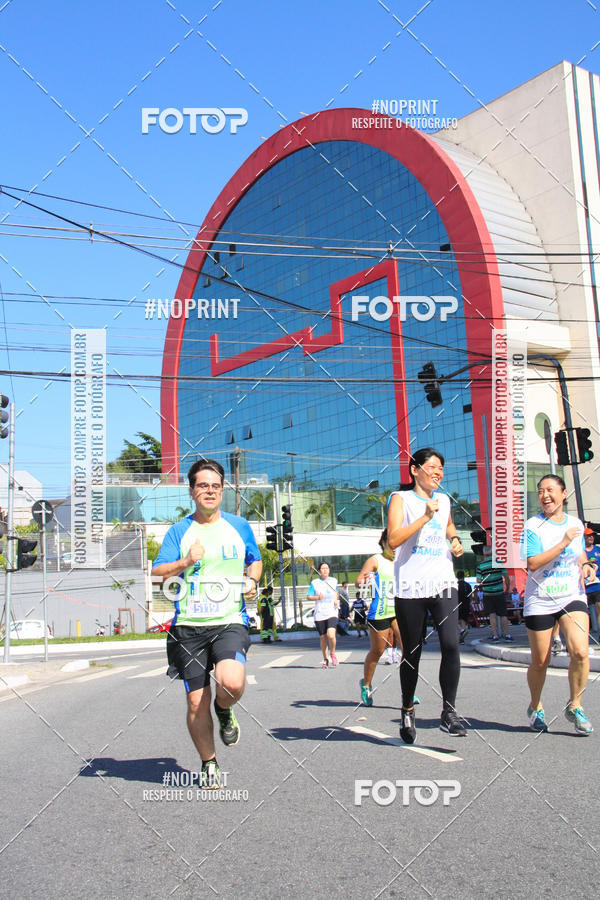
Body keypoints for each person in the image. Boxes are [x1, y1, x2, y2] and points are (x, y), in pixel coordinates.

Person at [151, 458, 262, 786]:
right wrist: (185, 561)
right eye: (203, 486)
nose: (209, 491)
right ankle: (209, 762)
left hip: (229, 621)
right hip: (189, 626)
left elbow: (254, 560)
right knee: (195, 700)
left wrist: (253, 580)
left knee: (232, 683)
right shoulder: (179, 531)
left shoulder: (239, 526)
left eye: (215, 486)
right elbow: (157, 572)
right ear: (191, 491)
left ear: (222, 490)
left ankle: (224, 709)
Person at [387, 447, 467, 742]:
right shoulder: (400, 499)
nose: (437, 473)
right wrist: (423, 517)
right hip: (411, 586)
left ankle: (449, 712)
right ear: (415, 470)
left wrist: (455, 539)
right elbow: (393, 539)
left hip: (443, 582)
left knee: (451, 644)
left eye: (441, 468)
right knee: (412, 652)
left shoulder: (443, 500)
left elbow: (448, 524)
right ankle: (408, 708)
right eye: (432, 467)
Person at [521, 474, 593, 735]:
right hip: (540, 599)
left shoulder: (575, 524)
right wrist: (563, 542)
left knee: (581, 652)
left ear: (563, 494)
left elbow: (580, 552)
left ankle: (575, 705)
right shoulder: (532, 526)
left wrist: (587, 565)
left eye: (550, 490)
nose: (545, 495)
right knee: (541, 661)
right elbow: (533, 563)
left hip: (571, 595)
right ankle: (535, 706)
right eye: (541, 491)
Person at [356, 529, 402, 705]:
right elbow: (358, 581)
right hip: (380, 612)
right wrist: (367, 581)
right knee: (378, 651)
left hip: (399, 610)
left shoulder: (403, 559)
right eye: (391, 542)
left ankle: (408, 691)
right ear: (383, 542)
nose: (395, 546)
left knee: (409, 650)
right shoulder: (375, 560)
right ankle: (366, 684)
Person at [476, 538, 513, 641]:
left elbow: (478, 580)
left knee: (492, 615)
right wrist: (507, 588)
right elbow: (506, 577)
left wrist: (486, 579)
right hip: (499, 592)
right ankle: (507, 635)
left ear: (484, 555)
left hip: (488, 594)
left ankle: (495, 635)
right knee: (503, 614)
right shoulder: (499, 563)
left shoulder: (480, 566)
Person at [307, 562, 339, 667]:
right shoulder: (315, 583)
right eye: (322, 568)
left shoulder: (333, 581)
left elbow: (335, 592)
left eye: (327, 568)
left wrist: (336, 600)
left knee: (331, 635)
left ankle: (333, 653)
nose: (325, 570)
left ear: (329, 570)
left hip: (331, 612)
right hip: (320, 613)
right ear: (319, 571)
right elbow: (308, 596)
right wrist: (317, 597)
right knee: (323, 638)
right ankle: (325, 659)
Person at [583, 527, 600, 639]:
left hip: (597, 585)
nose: (591, 538)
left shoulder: (597, 550)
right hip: (584, 586)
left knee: (599, 608)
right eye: (588, 536)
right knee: (584, 612)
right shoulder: (581, 552)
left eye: (592, 535)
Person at [456, 571, 472, 642]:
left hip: (457, 605)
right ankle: (462, 638)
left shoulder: (456, 585)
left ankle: (461, 630)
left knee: (454, 621)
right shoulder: (468, 585)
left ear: (457, 577)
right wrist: (470, 602)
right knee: (463, 620)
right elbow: (470, 596)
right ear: (463, 576)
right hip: (466, 605)